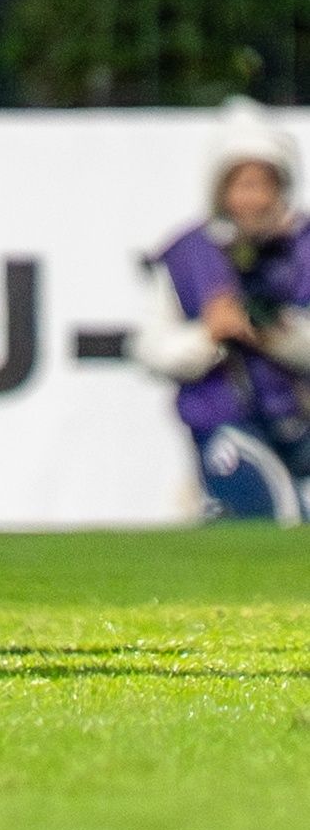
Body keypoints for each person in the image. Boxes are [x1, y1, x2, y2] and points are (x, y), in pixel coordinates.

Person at [134, 97, 310, 523]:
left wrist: (275, 335)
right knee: (276, 511)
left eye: (262, 184)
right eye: (242, 185)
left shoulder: (302, 248)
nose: (253, 198)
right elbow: (151, 350)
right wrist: (209, 334)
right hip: (224, 420)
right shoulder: (188, 254)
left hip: (299, 417)